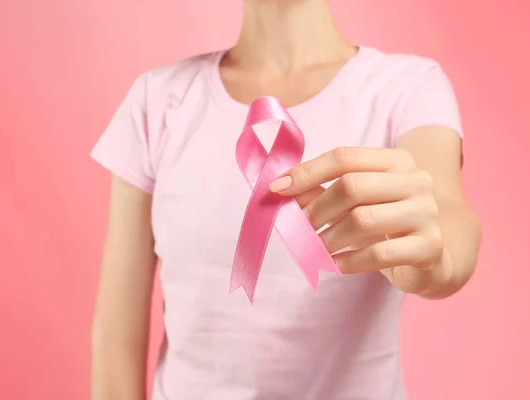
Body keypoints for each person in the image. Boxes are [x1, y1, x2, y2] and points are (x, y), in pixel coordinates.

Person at [89, 0, 482, 399]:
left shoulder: (406, 89)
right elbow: (116, 340)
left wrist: (433, 261)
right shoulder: (156, 100)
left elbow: (448, 212)